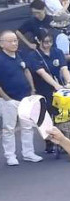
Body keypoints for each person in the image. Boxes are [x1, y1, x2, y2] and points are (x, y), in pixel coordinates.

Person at [0, 29, 39, 165]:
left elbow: (27, 71)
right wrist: (6, 98)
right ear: (2, 44)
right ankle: (10, 155)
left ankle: (28, 152)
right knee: (9, 128)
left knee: (28, 126)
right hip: (8, 98)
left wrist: (32, 89)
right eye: (10, 41)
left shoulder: (20, 55)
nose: (14, 43)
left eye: (15, 40)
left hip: (26, 96)